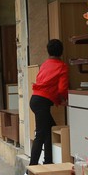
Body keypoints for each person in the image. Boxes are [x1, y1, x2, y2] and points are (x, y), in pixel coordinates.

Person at [29, 39, 69, 167]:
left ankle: (48, 161)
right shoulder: (62, 66)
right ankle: (31, 168)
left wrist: (56, 100)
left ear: (48, 51)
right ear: (61, 52)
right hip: (42, 103)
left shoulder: (45, 64)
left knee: (49, 130)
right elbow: (62, 89)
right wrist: (62, 100)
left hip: (35, 99)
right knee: (40, 135)